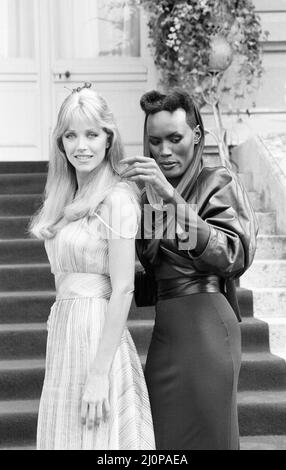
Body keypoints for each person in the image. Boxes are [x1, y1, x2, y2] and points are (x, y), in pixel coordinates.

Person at [120, 89, 258, 450]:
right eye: (155, 141)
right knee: (162, 444)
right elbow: (157, 268)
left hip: (209, 330)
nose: (163, 151)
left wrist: (171, 198)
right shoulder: (150, 193)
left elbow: (234, 255)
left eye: (174, 138)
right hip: (167, 335)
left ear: (196, 135)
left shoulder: (219, 182)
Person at [30, 83, 155, 450]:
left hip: (98, 336)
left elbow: (124, 289)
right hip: (66, 333)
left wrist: (99, 374)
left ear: (107, 139)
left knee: (97, 439)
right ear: (60, 142)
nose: (80, 146)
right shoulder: (64, 198)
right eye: (70, 135)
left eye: (91, 134)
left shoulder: (117, 199)